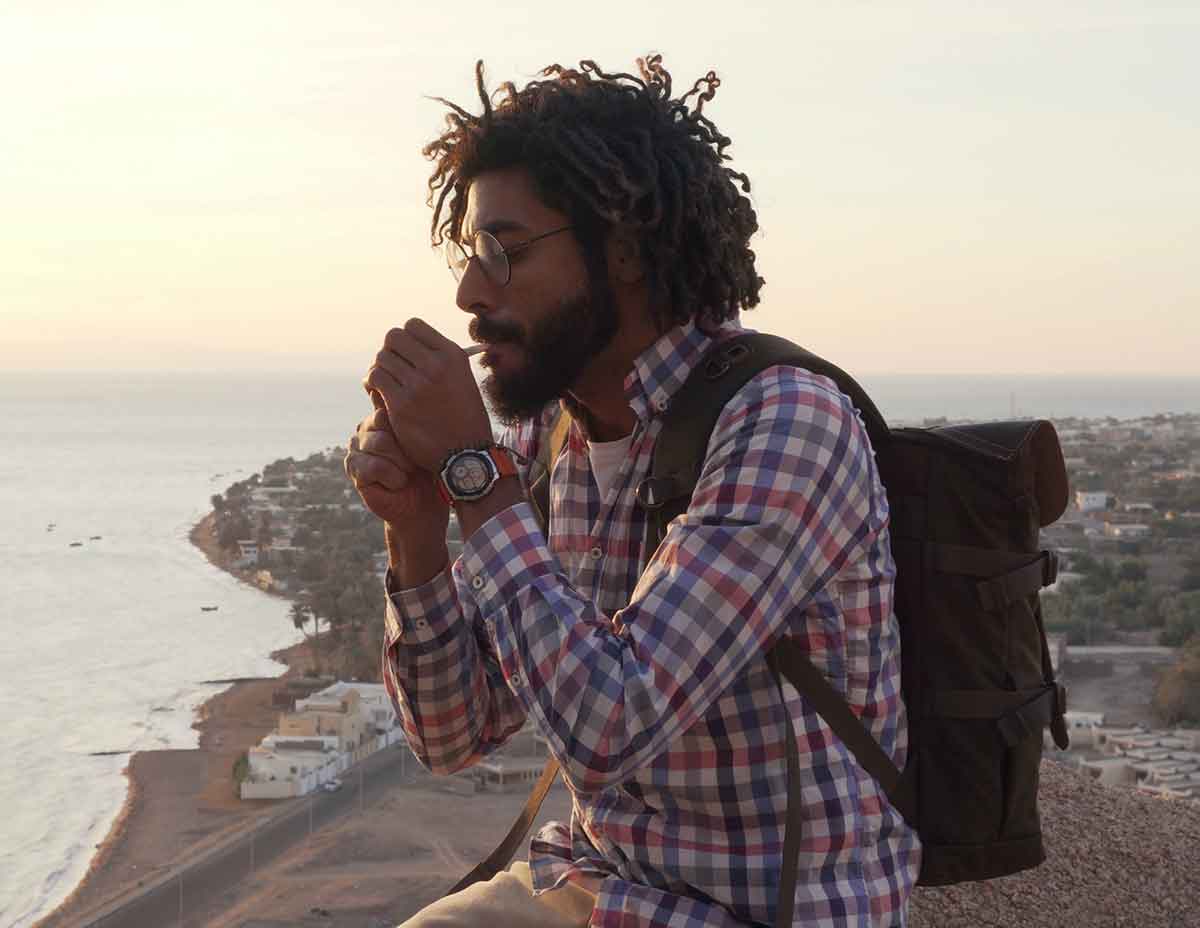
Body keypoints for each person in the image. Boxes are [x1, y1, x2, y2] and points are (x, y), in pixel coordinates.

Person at [344, 56, 920, 928]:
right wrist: (417, 529)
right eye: (467, 255)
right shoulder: (557, 435)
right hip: (599, 890)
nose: (467, 293)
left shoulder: (782, 423)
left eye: (502, 251)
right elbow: (449, 733)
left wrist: (470, 470)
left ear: (622, 250)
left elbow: (612, 723)